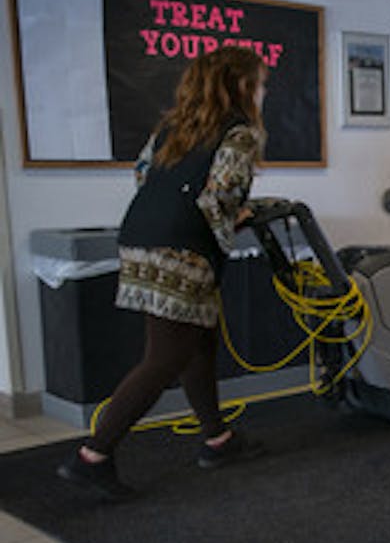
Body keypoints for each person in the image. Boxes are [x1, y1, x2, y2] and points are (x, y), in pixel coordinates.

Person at [58, 46, 267, 500]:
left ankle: (218, 440)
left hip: (139, 236)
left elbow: (141, 173)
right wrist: (239, 216)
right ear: (241, 85)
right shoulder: (240, 132)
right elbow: (221, 197)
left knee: (199, 339)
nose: (262, 90)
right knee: (164, 358)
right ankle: (92, 457)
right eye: (259, 82)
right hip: (183, 249)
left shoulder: (171, 126)